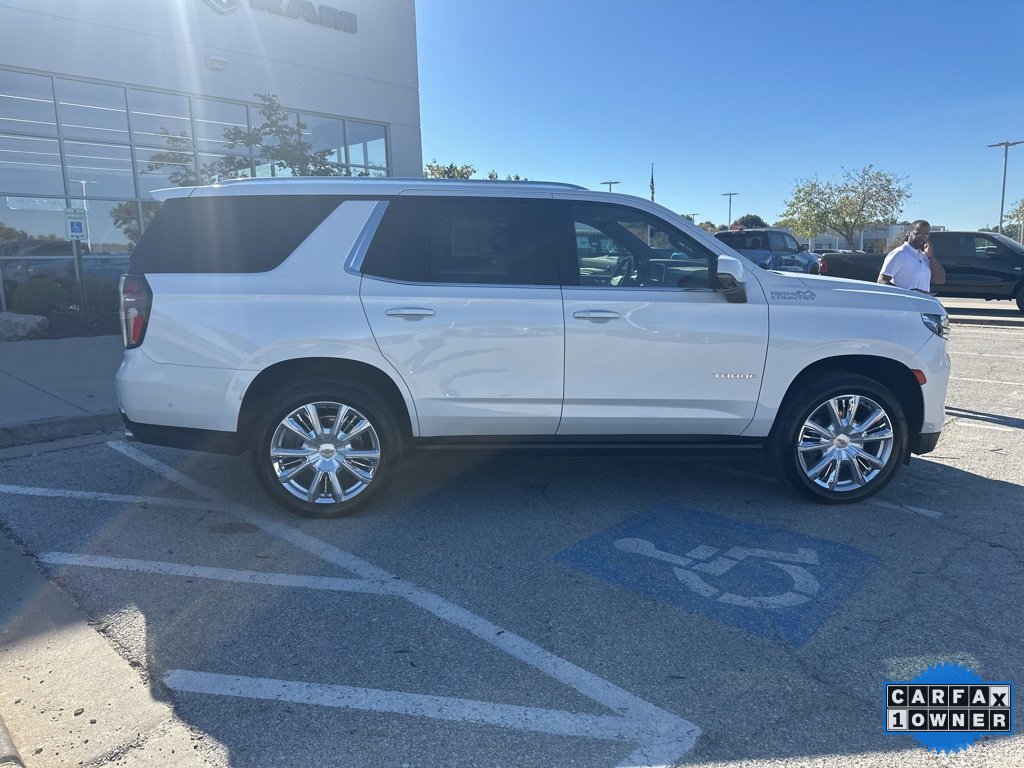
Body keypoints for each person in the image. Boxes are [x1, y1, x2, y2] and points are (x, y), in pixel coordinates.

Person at [877, 220, 945, 292]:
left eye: (926, 234)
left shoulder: (924, 256)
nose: (922, 237)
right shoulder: (899, 253)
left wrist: (931, 256)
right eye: (918, 233)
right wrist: (907, 294)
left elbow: (940, 280)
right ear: (909, 233)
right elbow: (882, 281)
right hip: (904, 302)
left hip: (921, 302)